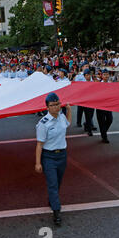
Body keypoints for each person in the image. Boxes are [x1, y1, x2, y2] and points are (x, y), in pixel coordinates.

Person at [35, 93, 72, 226]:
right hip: (49, 156)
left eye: (57, 104)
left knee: (58, 182)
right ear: (47, 107)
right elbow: (39, 144)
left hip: (62, 155)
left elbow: (68, 124)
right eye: (52, 105)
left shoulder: (61, 117)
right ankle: (56, 212)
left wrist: (69, 110)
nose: (56, 107)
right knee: (52, 183)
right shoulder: (43, 124)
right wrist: (38, 163)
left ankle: (52, 199)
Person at [96, 69, 113, 143]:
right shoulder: (98, 84)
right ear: (102, 76)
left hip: (108, 106)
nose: (106, 76)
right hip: (100, 106)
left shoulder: (110, 84)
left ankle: (103, 132)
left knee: (110, 119)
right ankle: (104, 136)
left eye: (107, 74)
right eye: (104, 74)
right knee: (101, 121)